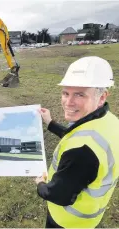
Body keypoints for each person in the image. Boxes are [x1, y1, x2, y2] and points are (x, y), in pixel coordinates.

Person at [35, 56, 119, 228]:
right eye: (65, 93)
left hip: (67, 221)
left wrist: (40, 184)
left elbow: (58, 194)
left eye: (79, 94)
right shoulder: (109, 121)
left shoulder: (82, 151)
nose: (68, 102)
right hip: (90, 217)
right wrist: (50, 123)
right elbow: (76, 136)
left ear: (102, 97)